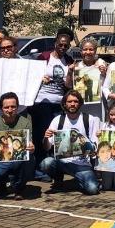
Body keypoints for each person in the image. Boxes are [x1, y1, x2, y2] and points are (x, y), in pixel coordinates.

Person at [28, 31, 74, 182]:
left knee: (56, 137)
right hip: (42, 102)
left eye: (65, 45)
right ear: (55, 43)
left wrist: (70, 73)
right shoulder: (44, 57)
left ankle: (52, 169)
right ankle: (38, 169)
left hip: (59, 104)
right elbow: (33, 77)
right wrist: (41, 78)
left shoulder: (68, 60)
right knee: (40, 135)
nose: (62, 47)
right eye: (60, 44)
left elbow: (68, 86)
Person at [39, 91, 101, 195]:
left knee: (93, 189)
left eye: (76, 101)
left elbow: (95, 147)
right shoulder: (58, 120)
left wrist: (87, 146)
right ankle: (58, 180)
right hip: (62, 162)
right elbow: (46, 147)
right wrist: (46, 138)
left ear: (80, 103)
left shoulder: (89, 119)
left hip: (82, 164)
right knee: (46, 163)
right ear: (64, 104)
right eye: (69, 101)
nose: (72, 104)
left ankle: (81, 181)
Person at [71, 38, 108, 119]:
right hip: (82, 105)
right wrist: (71, 72)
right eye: (85, 49)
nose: (88, 52)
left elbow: (108, 84)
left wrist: (104, 73)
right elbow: (70, 85)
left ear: (95, 51)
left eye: (91, 49)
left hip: (98, 106)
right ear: (81, 51)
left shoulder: (102, 64)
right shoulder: (77, 67)